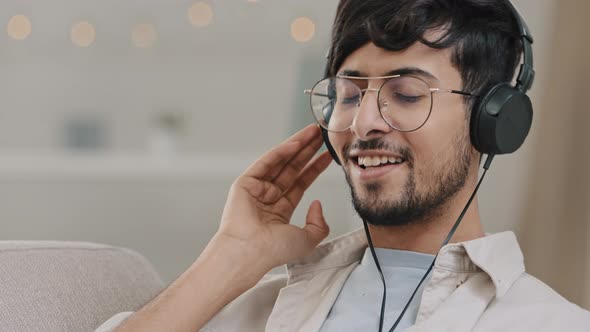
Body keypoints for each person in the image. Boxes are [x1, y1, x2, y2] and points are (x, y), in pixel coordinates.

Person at [97, 0, 590, 331]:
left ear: (493, 119)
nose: (364, 122)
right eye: (349, 93)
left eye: (407, 94)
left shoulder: (551, 323)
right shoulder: (261, 309)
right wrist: (232, 254)